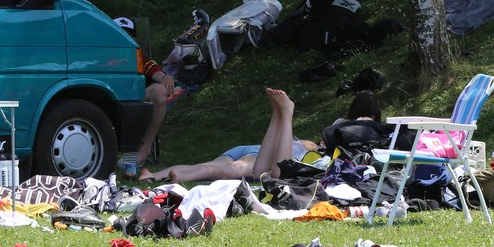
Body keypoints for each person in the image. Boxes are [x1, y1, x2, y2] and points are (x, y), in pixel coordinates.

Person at [138, 89, 387, 184]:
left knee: (213, 165)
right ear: (374, 116)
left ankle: (155, 175)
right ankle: (173, 176)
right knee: (217, 169)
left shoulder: (336, 127)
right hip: (269, 153)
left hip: (257, 148)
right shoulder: (359, 129)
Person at [114, 16, 177, 171]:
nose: (125, 38)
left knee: (159, 90)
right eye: (120, 33)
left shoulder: (140, 59)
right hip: (105, 102)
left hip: (132, 102)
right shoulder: (98, 57)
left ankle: (143, 151)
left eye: (128, 34)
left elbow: (158, 74)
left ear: (134, 39)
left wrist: (166, 77)